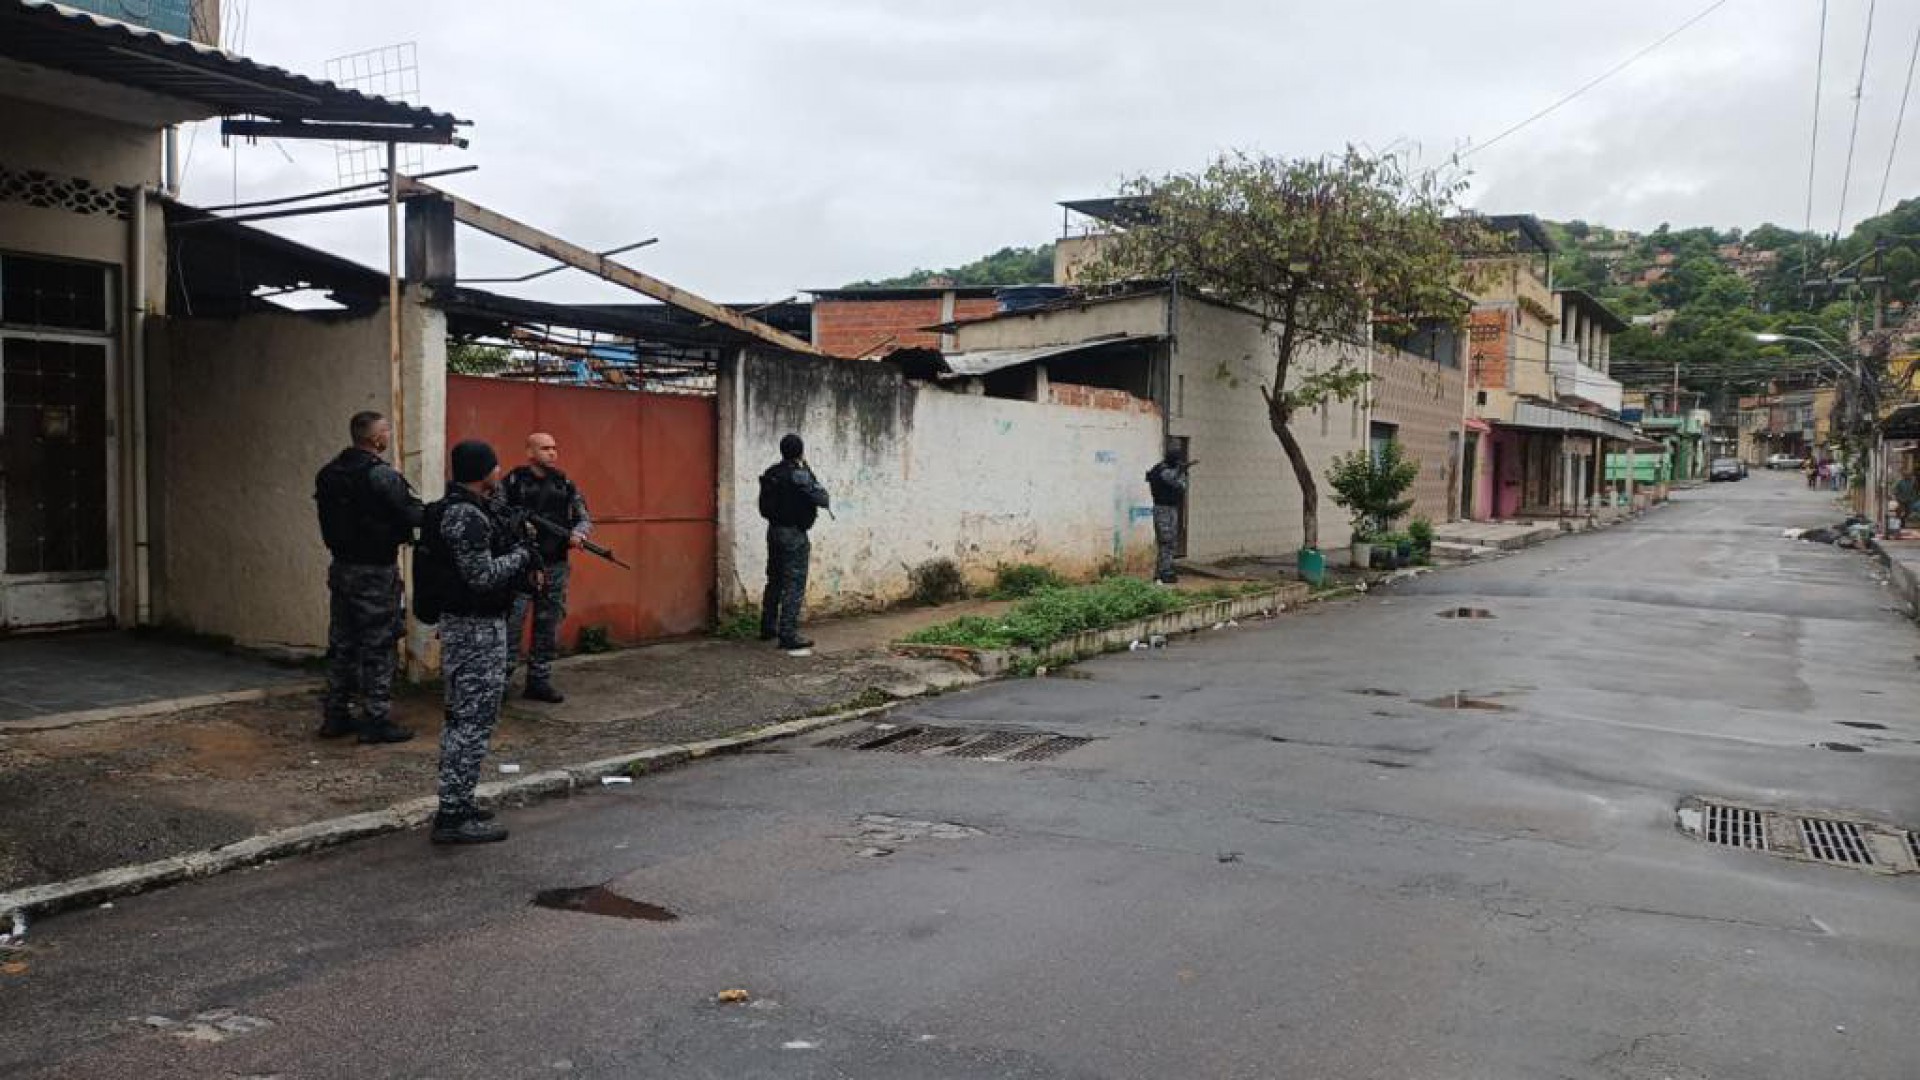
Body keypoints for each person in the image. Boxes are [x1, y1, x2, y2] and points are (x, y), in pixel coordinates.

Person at [416, 440, 541, 845]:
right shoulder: (465, 516)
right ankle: (452, 816)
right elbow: (482, 576)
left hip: (474, 625)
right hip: (473, 629)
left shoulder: (463, 508)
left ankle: (459, 801)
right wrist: (522, 555)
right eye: (494, 466)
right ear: (484, 470)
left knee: (471, 718)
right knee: (470, 721)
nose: (499, 471)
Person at [313, 411, 423, 744]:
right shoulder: (381, 475)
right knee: (379, 644)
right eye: (386, 430)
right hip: (375, 571)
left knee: (342, 644)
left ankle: (335, 715)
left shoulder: (329, 473)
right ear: (375, 438)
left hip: (342, 568)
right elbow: (411, 512)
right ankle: (376, 719)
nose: (388, 435)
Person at [501, 432, 593, 704]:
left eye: (555, 448)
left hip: (554, 563)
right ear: (530, 452)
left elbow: (584, 517)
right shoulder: (513, 482)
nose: (552, 453)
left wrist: (579, 534)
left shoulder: (564, 483)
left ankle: (539, 680)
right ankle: (501, 681)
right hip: (520, 566)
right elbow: (497, 514)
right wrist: (518, 529)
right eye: (545, 448)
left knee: (548, 624)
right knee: (511, 625)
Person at [758, 433, 830, 656]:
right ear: (800, 451)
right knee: (794, 583)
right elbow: (823, 499)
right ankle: (788, 634)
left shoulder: (772, 473)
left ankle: (768, 626)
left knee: (775, 580)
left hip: (774, 531)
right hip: (794, 534)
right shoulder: (800, 475)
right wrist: (808, 470)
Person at [1146, 445, 1191, 585]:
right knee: (1166, 541)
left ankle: (1165, 570)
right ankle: (1163, 572)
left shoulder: (1166, 470)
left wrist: (1181, 472)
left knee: (1170, 542)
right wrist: (1181, 471)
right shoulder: (1162, 471)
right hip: (1163, 509)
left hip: (1170, 509)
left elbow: (1181, 486)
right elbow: (1177, 483)